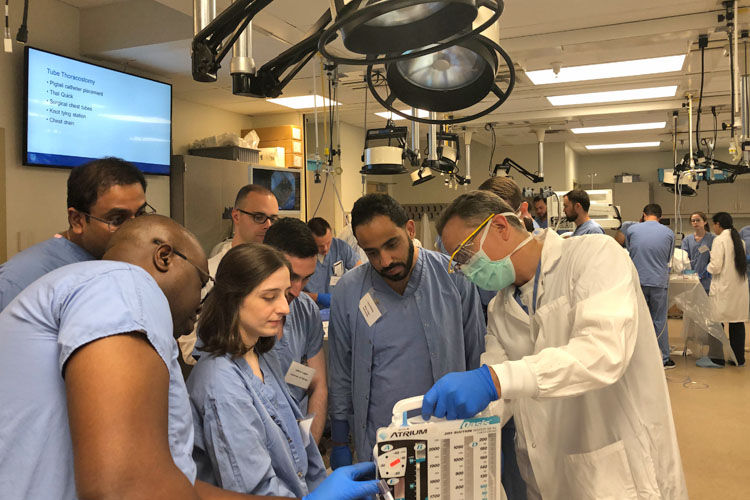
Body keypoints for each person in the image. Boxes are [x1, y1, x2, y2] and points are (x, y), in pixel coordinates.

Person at [422, 190, 688, 500]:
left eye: (465, 255)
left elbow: (602, 353)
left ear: (500, 227)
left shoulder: (593, 256)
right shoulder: (500, 308)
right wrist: (447, 431)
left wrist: (494, 379)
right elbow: (500, 391)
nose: (467, 269)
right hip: (544, 471)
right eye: (459, 263)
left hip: (618, 470)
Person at [187, 243, 380, 499]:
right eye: (269, 297)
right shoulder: (220, 384)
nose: (285, 308)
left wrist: (321, 483)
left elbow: (296, 446)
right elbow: (253, 490)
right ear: (233, 299)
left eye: (284, 294)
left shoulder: (261, 356)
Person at [327, 194, 485, 468]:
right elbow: (341, 371)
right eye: (372, 252)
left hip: (448, 433)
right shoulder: (349, 291)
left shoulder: (453, 278)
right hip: (381, 440)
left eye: (392, 245)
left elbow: (477, 356)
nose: (385, 261)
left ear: (410, 229)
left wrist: (483, 429)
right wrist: (340, 442)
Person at [0, 157, 152, 311]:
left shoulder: (128, 261)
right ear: (77, 220)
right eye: (117, 219)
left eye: (140, 213)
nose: (134, 229)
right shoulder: (22, 278)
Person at [178, 184, 280, 362]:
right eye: (259, 217)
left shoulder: (278, 271)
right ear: (236, 216)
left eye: (273, 219)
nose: (268, 225)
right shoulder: (207, 275)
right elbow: (191, 349)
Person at [263, 218, 328, 444]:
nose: (298, 290)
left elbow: (318, 384)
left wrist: (309, 450)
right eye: (291, 277)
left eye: (306, 278)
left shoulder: (305, 311)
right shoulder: (240, 315)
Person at [616, 204, 676, 369]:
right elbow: (668, 257)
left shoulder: (633, 230)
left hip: (638, 281)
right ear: (660, 217)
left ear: (643, 214)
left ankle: (637, 357)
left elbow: (630, 251)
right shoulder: (668, 233)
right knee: (659, 320)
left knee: (638, 319)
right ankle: (663, 358)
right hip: (658, 281)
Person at [706, 212, 749, 366]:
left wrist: (707, 266)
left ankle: (717, 358)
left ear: (718, 224)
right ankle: (738, 359)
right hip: (738, 290)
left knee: (716, 322)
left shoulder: (719, 240)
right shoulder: (739, 241)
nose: (713, 228)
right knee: (737, 323)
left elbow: (716, 267)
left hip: (723, 289)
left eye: (713, 224)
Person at [305, 217, 360, 308]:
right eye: (320, 246)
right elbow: (292, 292)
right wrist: (317, 297)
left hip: (337, 306)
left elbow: (359, 272)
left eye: (328, 242)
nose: (326, 248)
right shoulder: (301, 255)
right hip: (310, 308)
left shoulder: (340, 247)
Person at [681, 211, 714, 293]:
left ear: (705, 222)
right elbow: (684, 258)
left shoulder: (712, 239)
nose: (695, 222)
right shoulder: (687, 240)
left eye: (698, 220)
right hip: (690, 277)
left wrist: (706, 271)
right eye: (693, 221)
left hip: (707, 279)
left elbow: (715, 259)